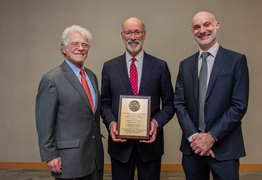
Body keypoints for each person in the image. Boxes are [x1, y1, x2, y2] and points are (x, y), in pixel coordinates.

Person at [174, 11, 249, 180]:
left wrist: (211, 137)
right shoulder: (185, 65)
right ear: (192, 31)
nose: (202, 30)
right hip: (192, 149)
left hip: (225, 148)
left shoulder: (236, 61)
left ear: (217, 25)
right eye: (196, 27)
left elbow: (239, 105)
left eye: (207, 24)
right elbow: (179, 104)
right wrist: (195, 138)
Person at [101, 17, 174, 180]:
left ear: (144, 34)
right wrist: (111, 122)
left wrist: (155, 123)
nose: (132, 37)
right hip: (120, 146)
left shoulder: (160, 66)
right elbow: (104, 103)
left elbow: (170, 104)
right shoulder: (109, 67)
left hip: (150, 146)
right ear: (122, 35)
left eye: (137, 32)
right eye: (128, 32)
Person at [36, 25, 104, 180]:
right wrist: (50, 155)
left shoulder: (92, 76)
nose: (80, 48)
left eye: (85, 45)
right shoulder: (52, 79)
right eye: (75, 44)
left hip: (94, 158)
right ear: (64, 48)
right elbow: (44, 123)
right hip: (69, 160)